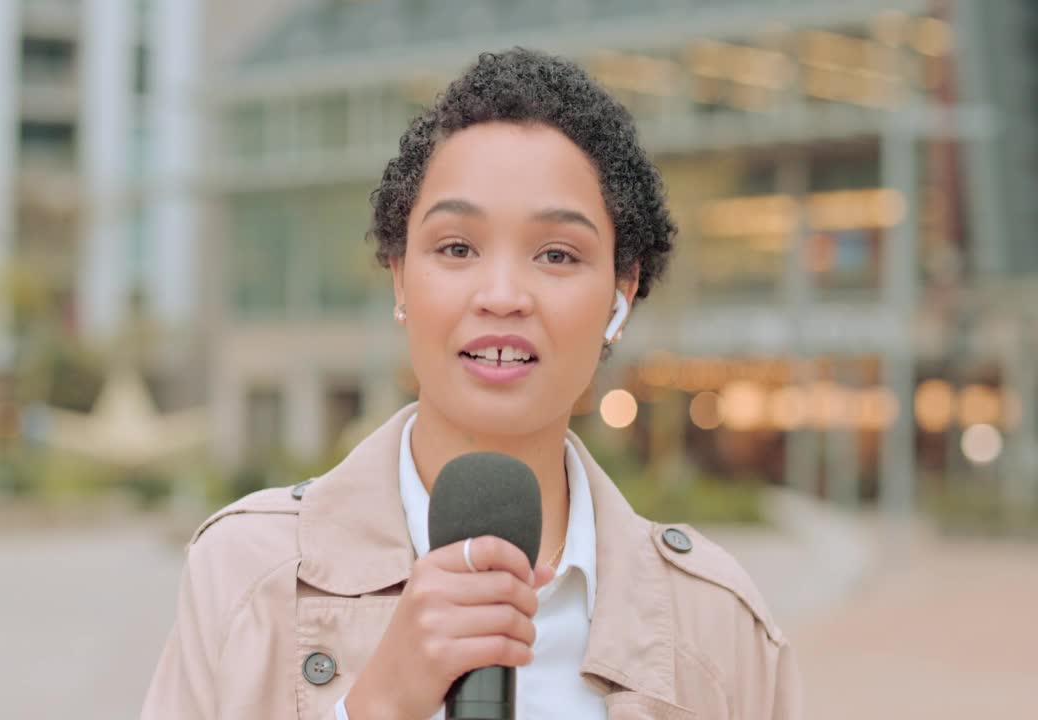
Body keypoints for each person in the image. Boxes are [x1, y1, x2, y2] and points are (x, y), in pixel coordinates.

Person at [142, 48, 801, 719]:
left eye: (557, 254)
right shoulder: (247, 573)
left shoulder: (719, 625)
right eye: (457, 248)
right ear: (401, 275)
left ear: (620, 296)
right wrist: (375, 706)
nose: (503, 295)